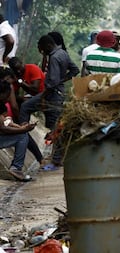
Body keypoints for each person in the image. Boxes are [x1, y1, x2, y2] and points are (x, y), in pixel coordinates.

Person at [19, 34, 80, 170]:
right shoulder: (62, 53)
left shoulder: (54, 57)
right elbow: (75, 70)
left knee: (29, 109)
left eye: (41, 49)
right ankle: (57, 158)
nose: (42, 52)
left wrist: (42, 98)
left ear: (47, 46)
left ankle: (23, 134)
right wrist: (62, 80)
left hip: (52, 95)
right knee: (55, 125)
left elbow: (51, 83)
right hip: (59, 92)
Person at [0, 80, 36, 181]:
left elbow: (5, 123)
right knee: (22, 136)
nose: (8, 99)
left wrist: (20, 127)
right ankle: (16, 168)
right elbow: (3, 128)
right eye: (6, 96)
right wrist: (22, 130)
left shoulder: (2, 105)